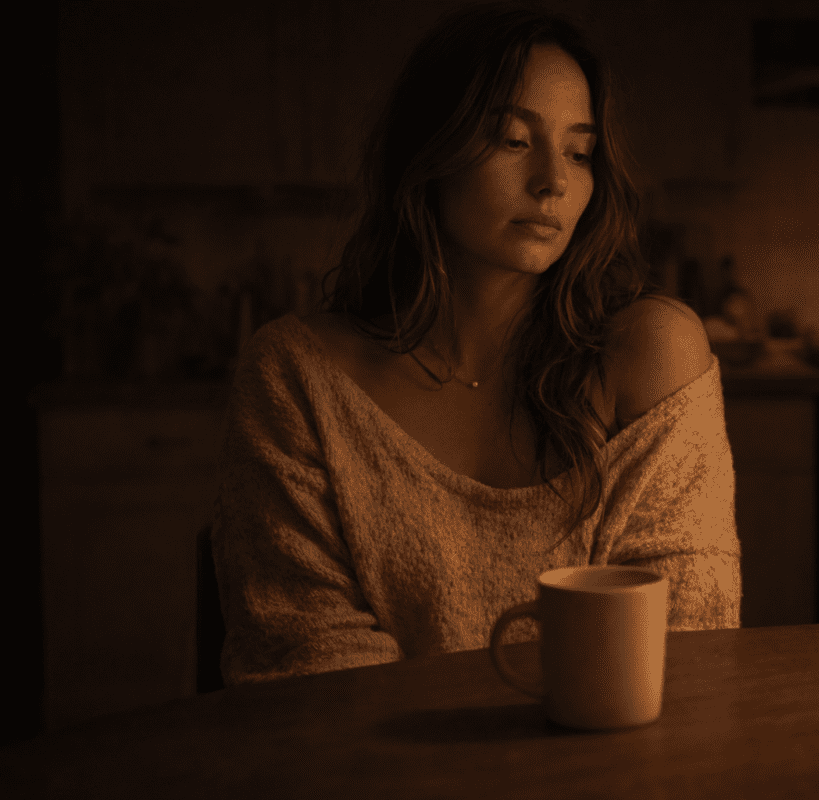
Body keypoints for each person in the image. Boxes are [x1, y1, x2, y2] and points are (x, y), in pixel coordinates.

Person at [211, 1, 740, 686]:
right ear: (431, 154)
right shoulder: (297, 375)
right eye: (515, 141)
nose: (554, 180)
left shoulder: (651, 355)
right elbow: (312, 674)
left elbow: (688, 646)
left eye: (580, 152)